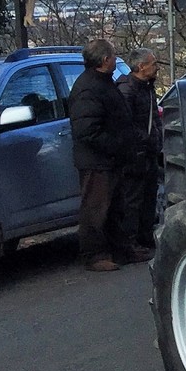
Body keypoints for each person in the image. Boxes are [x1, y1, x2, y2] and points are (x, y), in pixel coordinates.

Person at [68, 39, 145, 271]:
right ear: (104, 60)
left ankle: (122, 250)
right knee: (95, 208)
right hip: (97, 160)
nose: (115, 58)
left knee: (115, 207)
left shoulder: (102, 83)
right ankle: (94, 255)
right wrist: (115, 146)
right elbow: (87, 130)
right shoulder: (88, 88)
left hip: (111, 159)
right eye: (113, 55)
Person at [116, 47, 162, 251]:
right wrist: (146, 139)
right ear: (141, 66)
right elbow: (126, 123)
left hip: (149, 152)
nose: (157, 68)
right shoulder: (128, 90)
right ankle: (129, 243)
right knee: (132, 199)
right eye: (153, 64)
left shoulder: (147, 87)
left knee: (149, 196)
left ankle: (145, 237)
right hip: (135, 154)